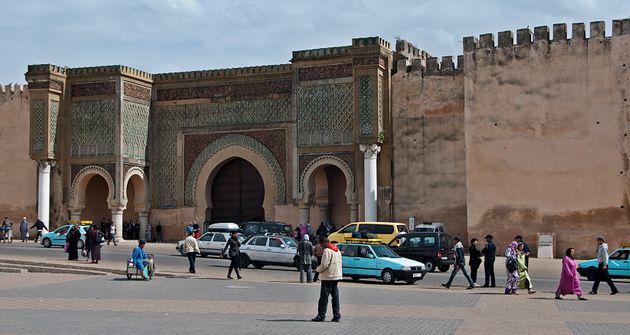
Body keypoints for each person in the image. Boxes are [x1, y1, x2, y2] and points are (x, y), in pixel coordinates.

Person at [312, 237, 342, 322]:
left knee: (324, 297)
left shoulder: (327, 250)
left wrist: (317, 269)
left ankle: (321, 315)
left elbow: (324, 264)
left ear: (323, 243)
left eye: (321, 244)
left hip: (328, 276)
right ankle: (337, 315)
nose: (321, 246)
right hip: (336, 276)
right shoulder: (337, 250)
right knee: (335, 297)